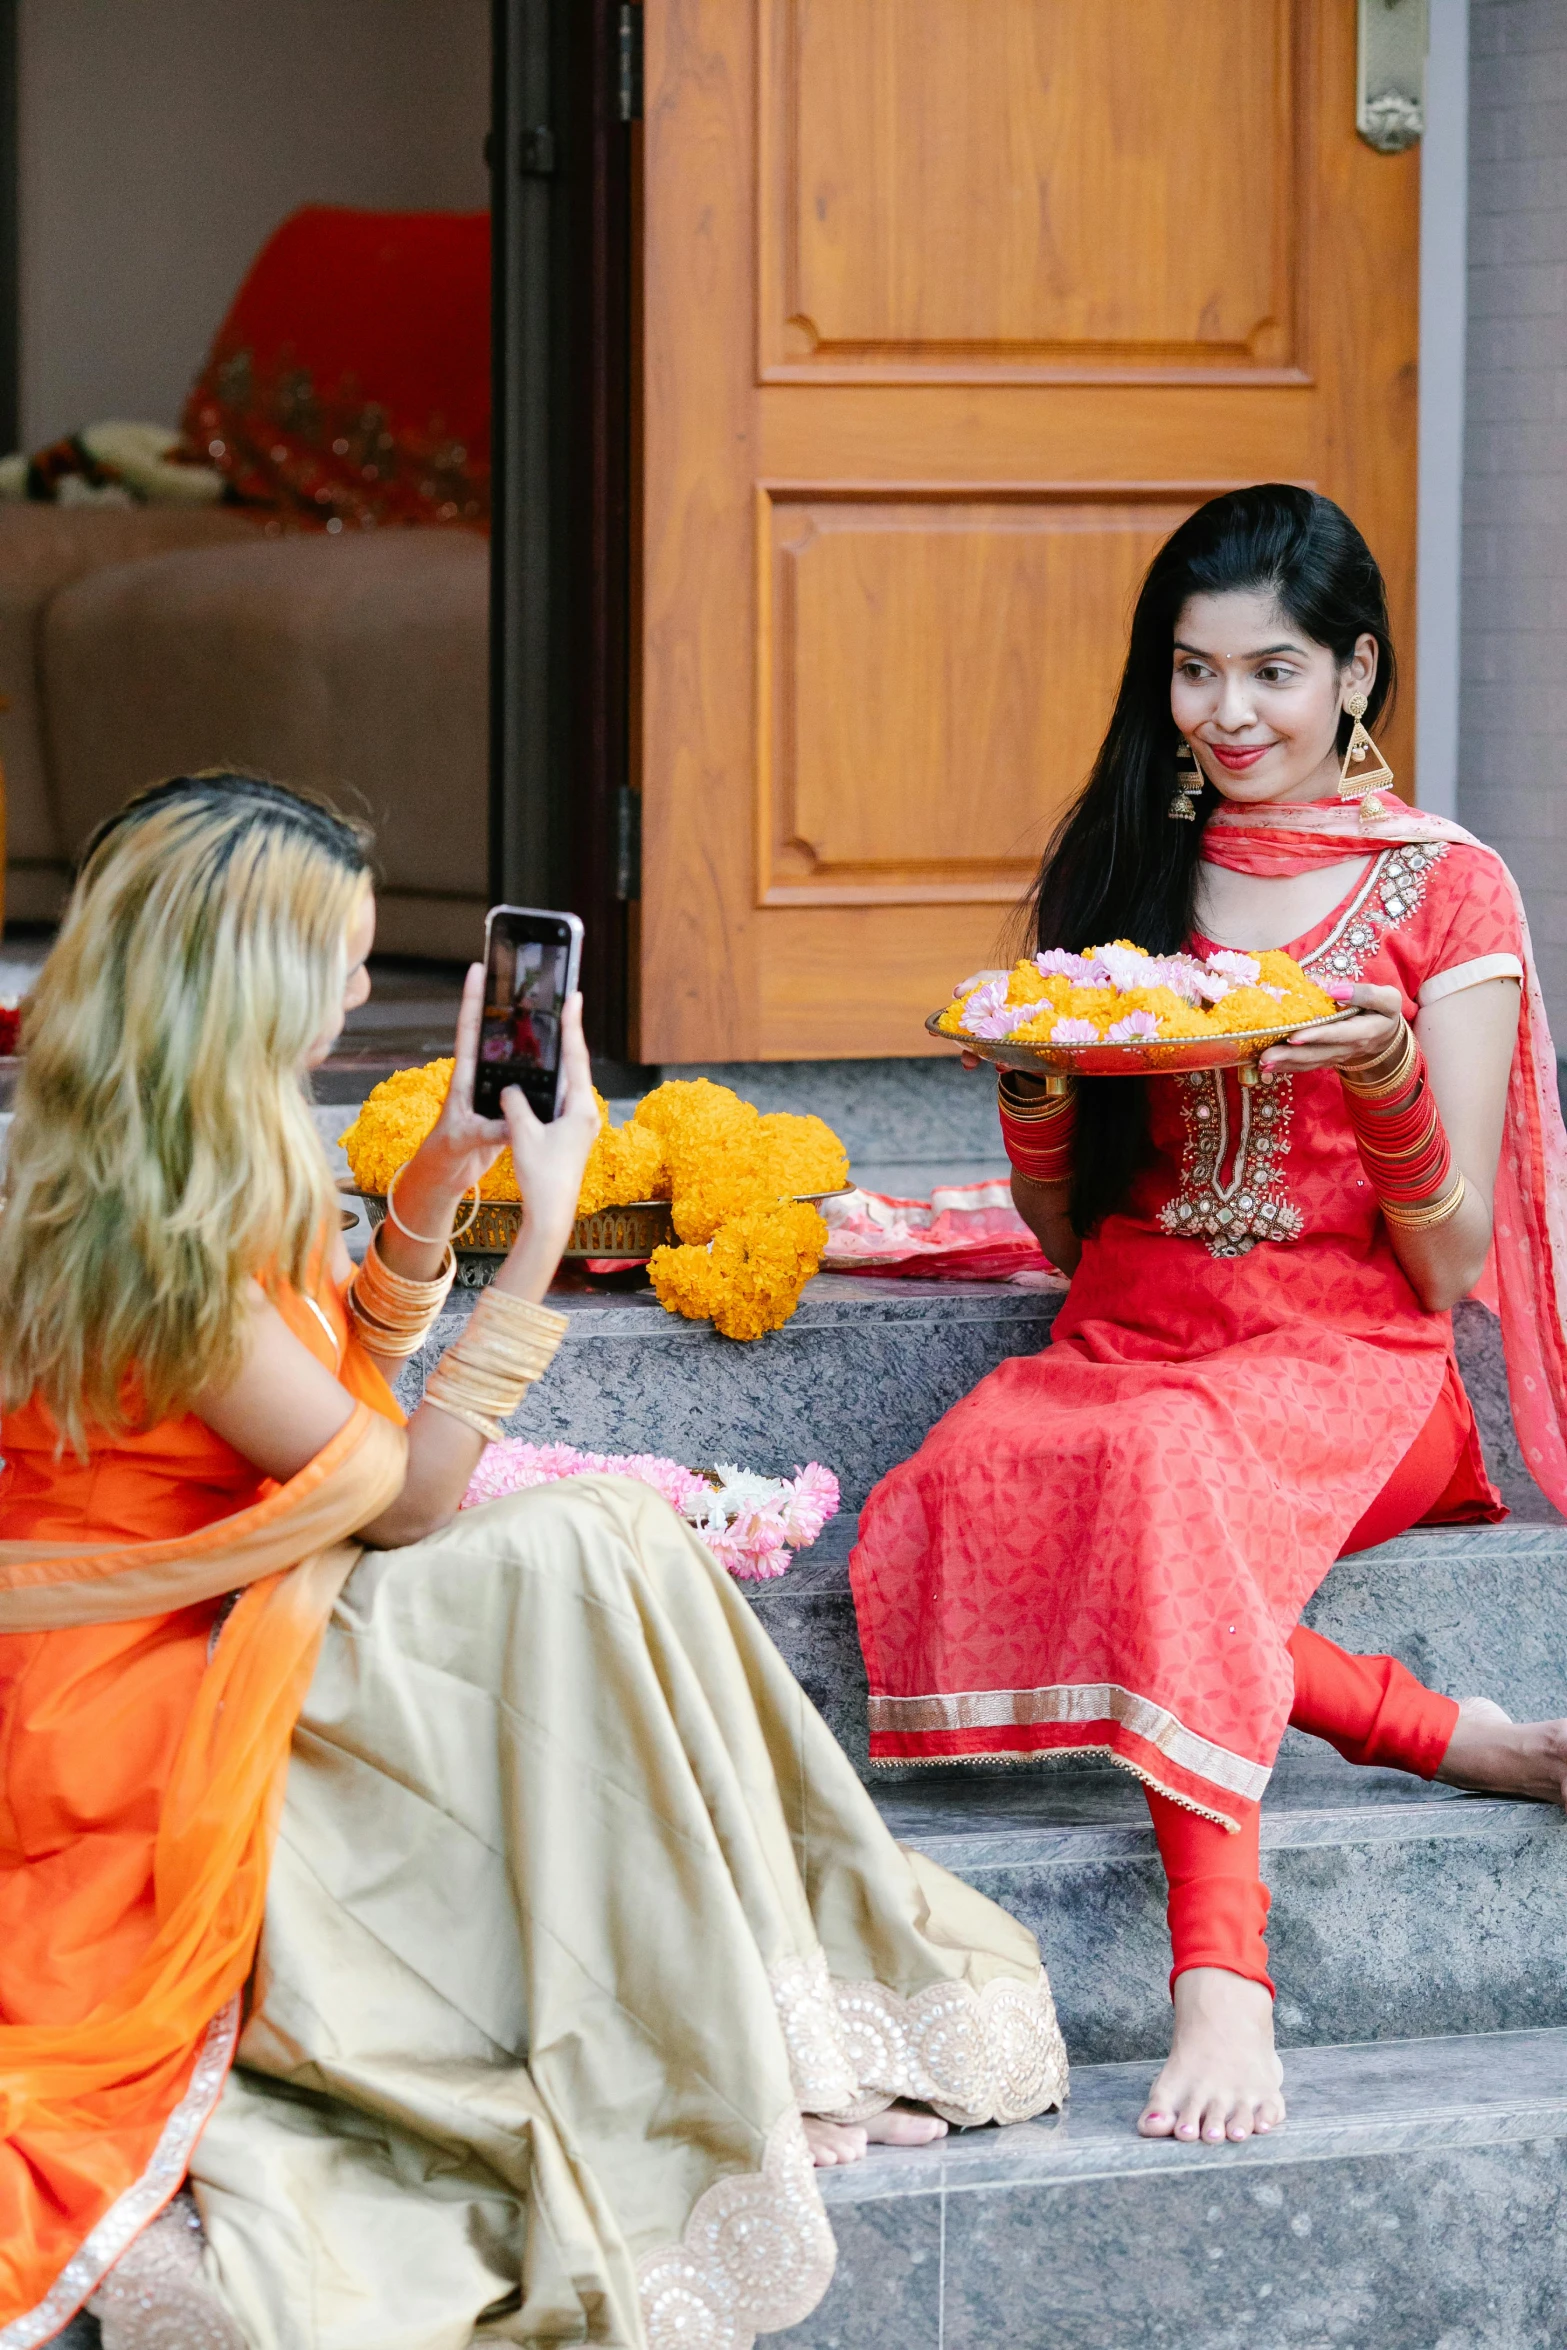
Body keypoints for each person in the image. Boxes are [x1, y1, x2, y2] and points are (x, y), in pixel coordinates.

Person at [0, 774, 1066, 2350]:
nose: (370, 994)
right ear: (252, 981)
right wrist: (544, 1225)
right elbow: (401, 1497)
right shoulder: (150, 1224)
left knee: (595, 1544)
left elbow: (328, 1398)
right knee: (576, 1546)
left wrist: (431, 1193)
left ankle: (763, 2022)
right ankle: (720, 2037)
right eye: (345, 964)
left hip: (253, 1606)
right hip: (149, 1694)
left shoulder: (187, 1148)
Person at [850, 484, 1567, 2152]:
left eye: (1271, 672)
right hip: (1125, 1331)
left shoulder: (1442, 890)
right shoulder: (1131, 862)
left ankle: (1222, 1973)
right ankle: (1440, 1731)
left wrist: (1385, 1076)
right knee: (954, 1485)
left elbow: (1449, 1262)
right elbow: (1062, 1224)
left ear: (1354, 674)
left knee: (1165, 1478)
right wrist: (1032, 1091)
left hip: (1350, 1360)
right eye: (1191, 673)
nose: (1227, 714)